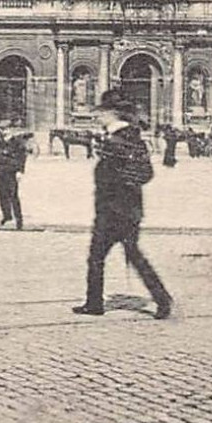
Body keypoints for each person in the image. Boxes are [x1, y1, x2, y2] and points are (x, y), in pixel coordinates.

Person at [73, 87, 172, 320]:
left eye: (101, 112)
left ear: (112, 113)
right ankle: (159, 299)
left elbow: (144, 173)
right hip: (120, 210)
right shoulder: (119, 138)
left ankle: (96, 303)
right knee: (128, 256)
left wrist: (118, 183)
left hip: (117, 212)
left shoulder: (124, 139)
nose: (97, 116)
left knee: (103, 256)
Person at [0, 121, 29, 229]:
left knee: (13, 196)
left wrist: (20, 171)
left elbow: (22, 158)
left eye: (6, 129)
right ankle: (7, 216)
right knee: (2, 196)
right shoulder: (0, 142)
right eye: (2, 129)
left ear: (11, 130)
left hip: (11, 172)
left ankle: (19, 219)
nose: (4, 132)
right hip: (1, 172)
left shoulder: (17, 143)